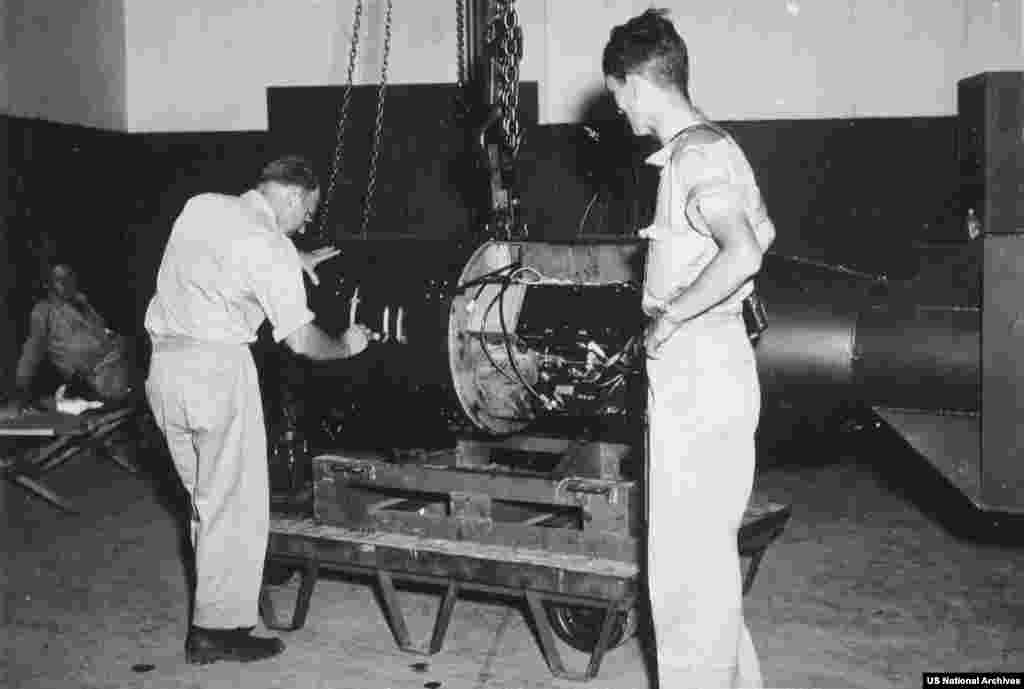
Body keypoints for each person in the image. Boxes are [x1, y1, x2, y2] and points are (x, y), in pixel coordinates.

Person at [602, 9, 776, 688]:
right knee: (705, 566)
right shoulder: (717, 146)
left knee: (682, 578)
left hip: (697, 372)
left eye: (618, 94)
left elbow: (743, 252)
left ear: (638, 83)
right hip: (719, 363)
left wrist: (670, 318)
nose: (618, 108)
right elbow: (764, 234)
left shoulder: (695, 155)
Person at [144, 155, 373, 665]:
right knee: (236, 507)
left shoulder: (201, 207)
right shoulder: (269, 246)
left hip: (164, 370)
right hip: (218, 373)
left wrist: (294, 258)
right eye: (307, 212)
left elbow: (231, 250)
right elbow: (303, 342)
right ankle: (217, 632)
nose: (306, 223)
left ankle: (214, 611)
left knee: (207, 501)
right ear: (293, 196)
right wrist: (348, 345)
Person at [13, 263, 135, 405]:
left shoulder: (82, 304)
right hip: (87, 376)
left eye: (70, 278)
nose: (67, 283)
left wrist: (111, 337)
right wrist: (23, 384)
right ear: (49, 285)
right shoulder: (44, 310)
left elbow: (100, 331)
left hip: (110, 362)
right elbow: (32, 350)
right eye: (60, 280)